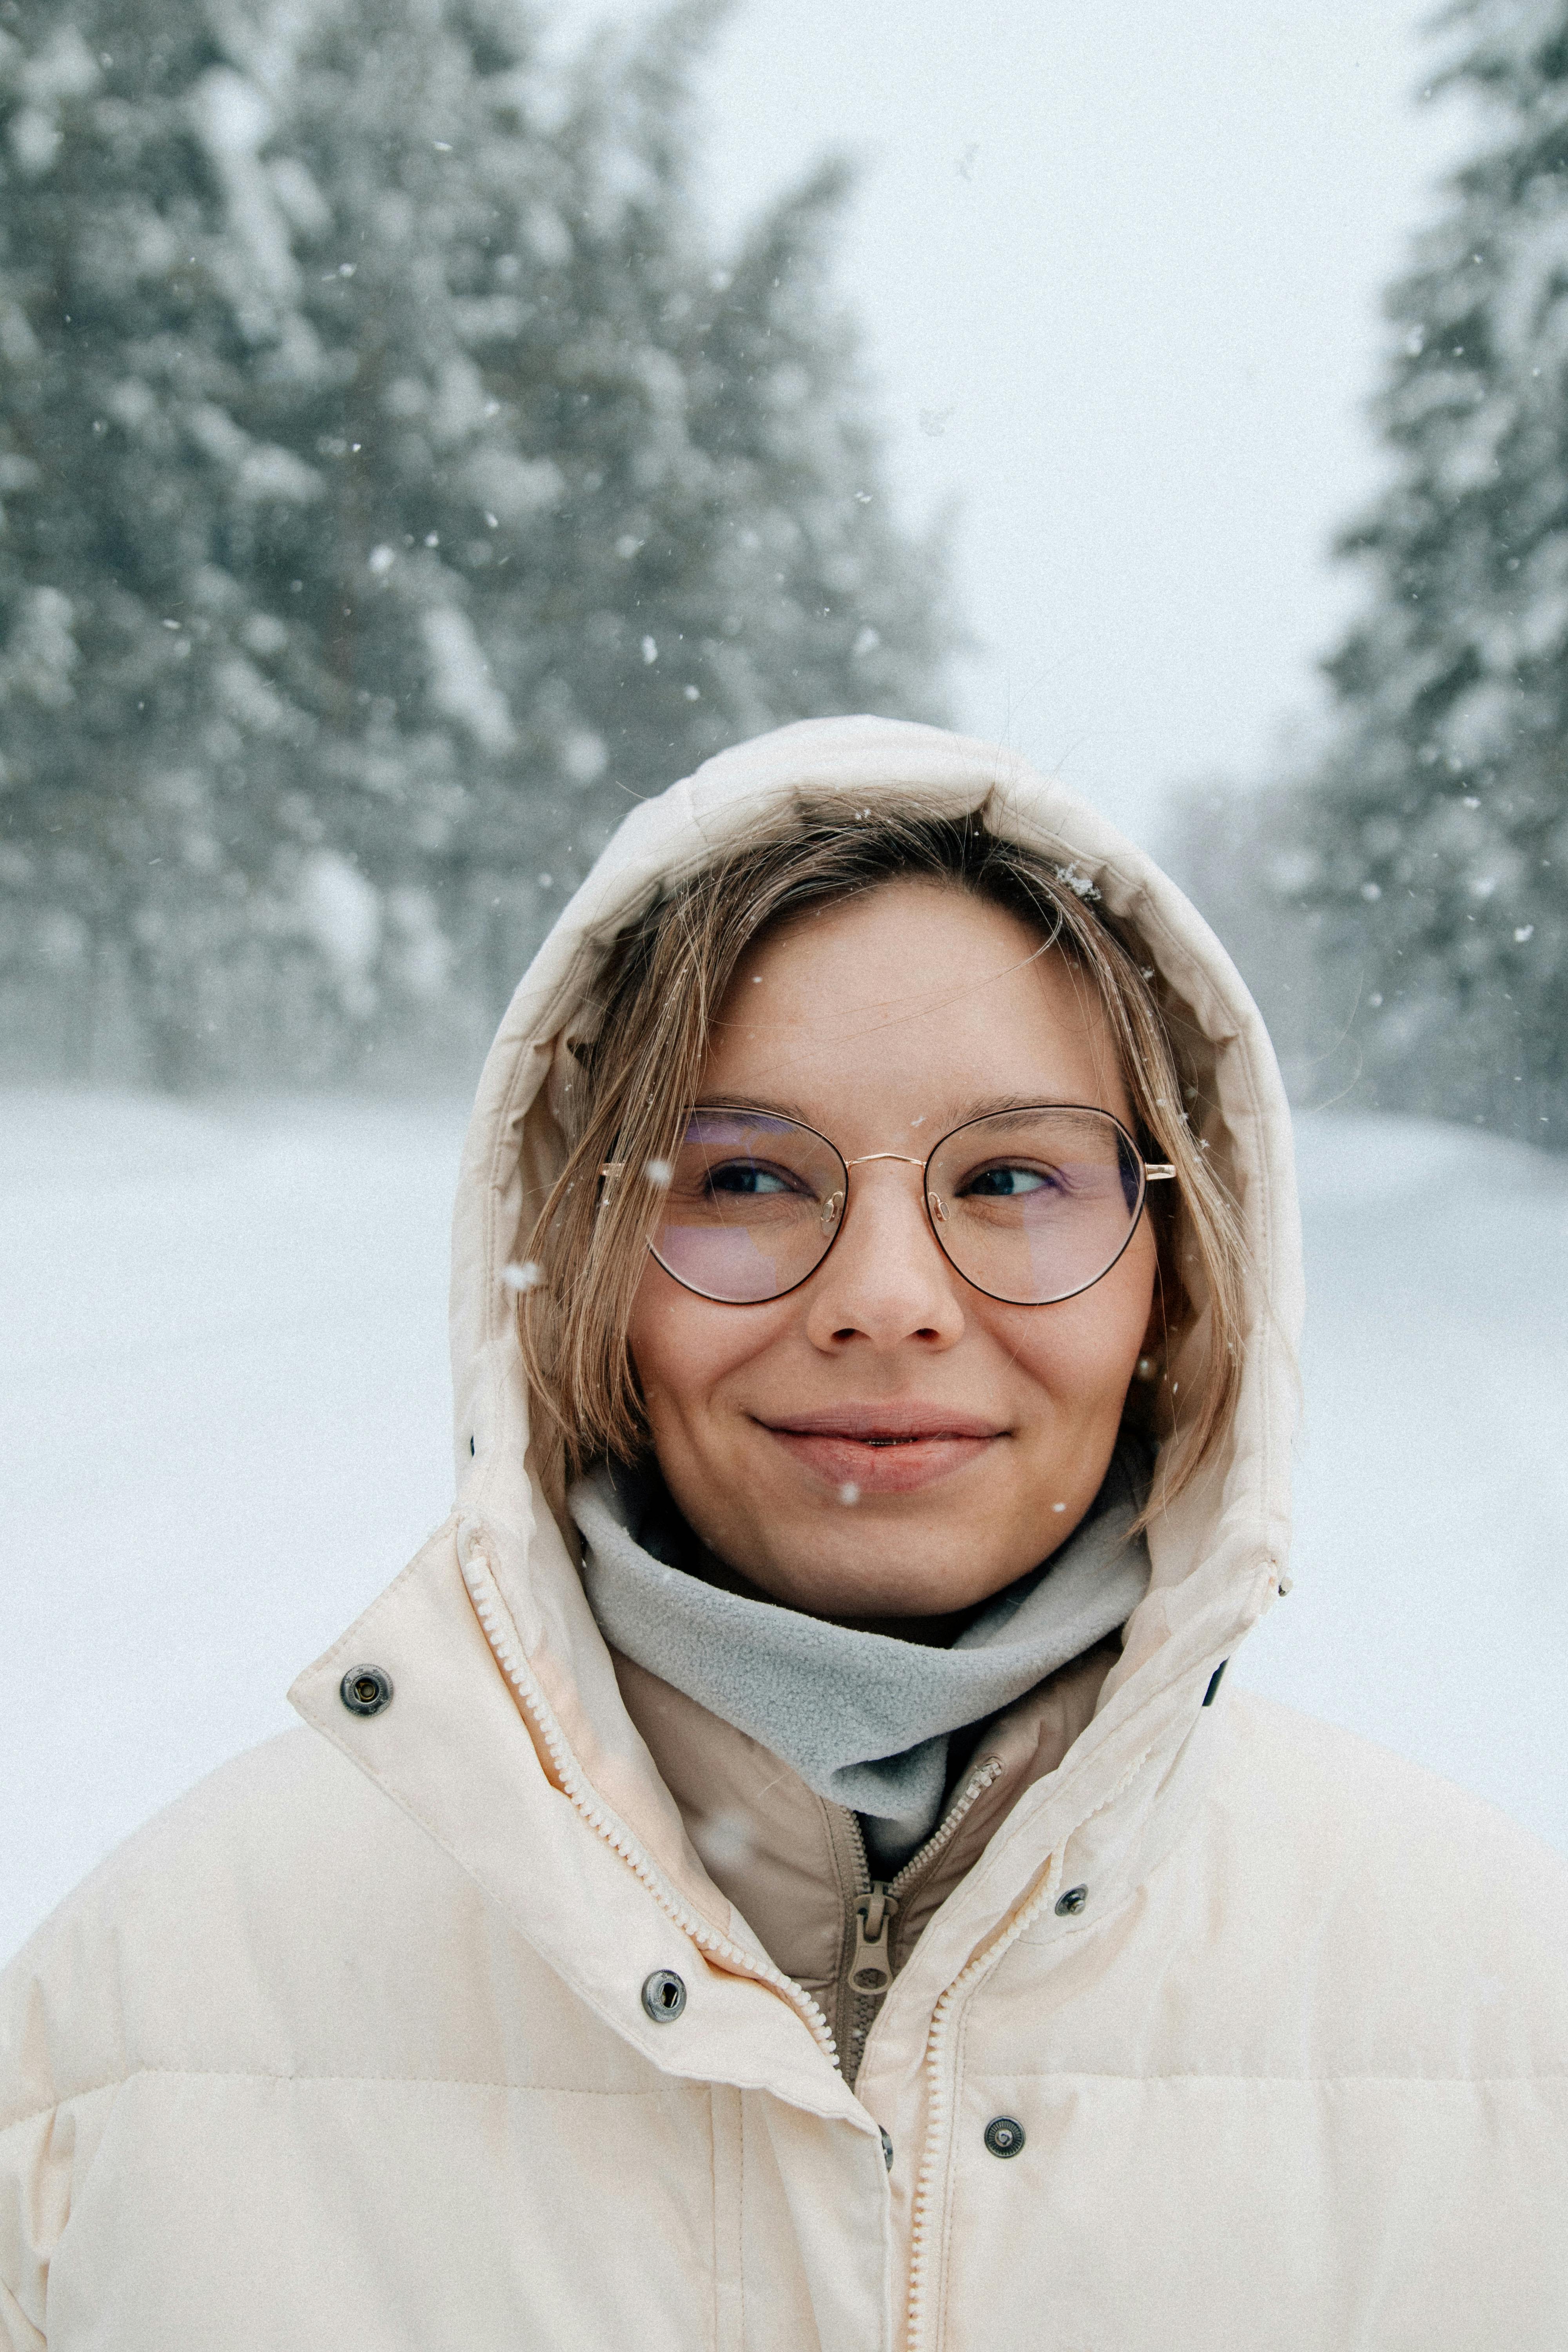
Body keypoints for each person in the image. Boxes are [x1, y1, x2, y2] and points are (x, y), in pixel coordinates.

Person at [3, 715, 1565, 2349]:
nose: (885, 1301)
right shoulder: (124, 2049)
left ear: (1168, 1266)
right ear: (584, 1253)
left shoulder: (1509, 2035)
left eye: (1013, 1179)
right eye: (747, 1180)